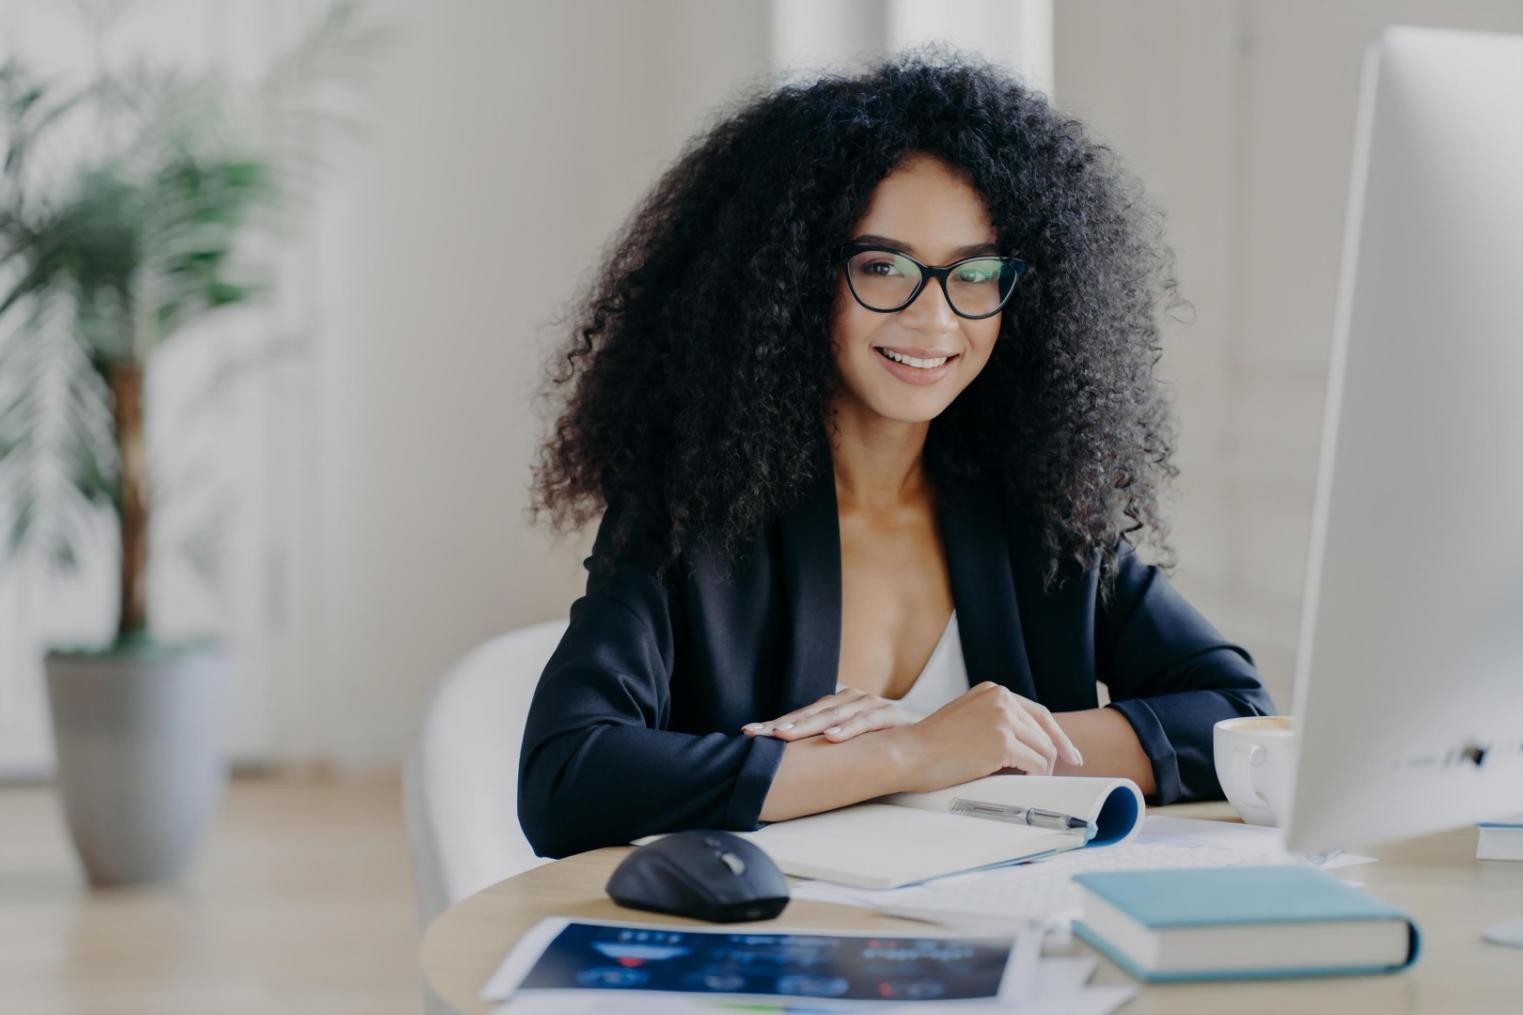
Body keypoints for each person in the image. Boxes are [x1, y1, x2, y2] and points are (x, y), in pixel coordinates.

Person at [518, 48, 1274, 860]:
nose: (935, 319)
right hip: (783, 956)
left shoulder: (1040, 510)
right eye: (882, 266)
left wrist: (983, 740)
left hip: (1013, 940)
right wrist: (908, 755)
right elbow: (567, 779)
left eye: (973, 273)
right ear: (796, 280)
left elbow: (1236, 719)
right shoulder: (692, 510)